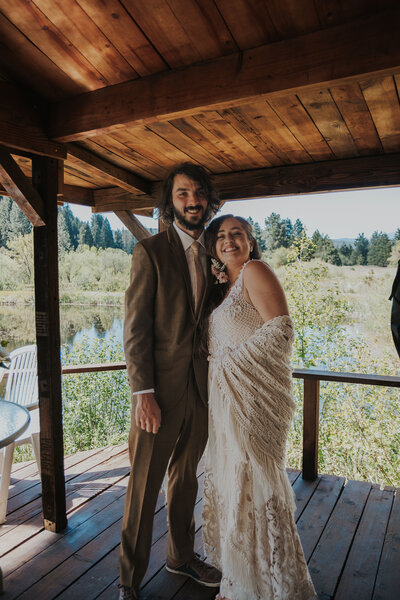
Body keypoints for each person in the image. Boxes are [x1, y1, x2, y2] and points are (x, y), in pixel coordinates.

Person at [118, 163, 222, 600]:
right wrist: (142, 393)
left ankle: (180, 558)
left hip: (201, 392)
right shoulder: (151, 252)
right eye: (182, 194)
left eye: (198, 193)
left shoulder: (219, 253)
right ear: (170, 201)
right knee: (143, 487)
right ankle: (129, 580)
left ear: (208, 199)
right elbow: (136, 328)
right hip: (156, 395)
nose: (192, 200)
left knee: (186, 482)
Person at [202, 215, 316, 600]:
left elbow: (280, 330)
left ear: (251, 241)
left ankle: (275, 587)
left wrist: (227, 366)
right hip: (225, 403)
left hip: (251, 401)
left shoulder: (255, 270)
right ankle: (241, 582)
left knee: (255, 485)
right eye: (220, 235)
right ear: (213, 247)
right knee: (236, 489)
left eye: (237, 234)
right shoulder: (224, 285)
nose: (228, 240)